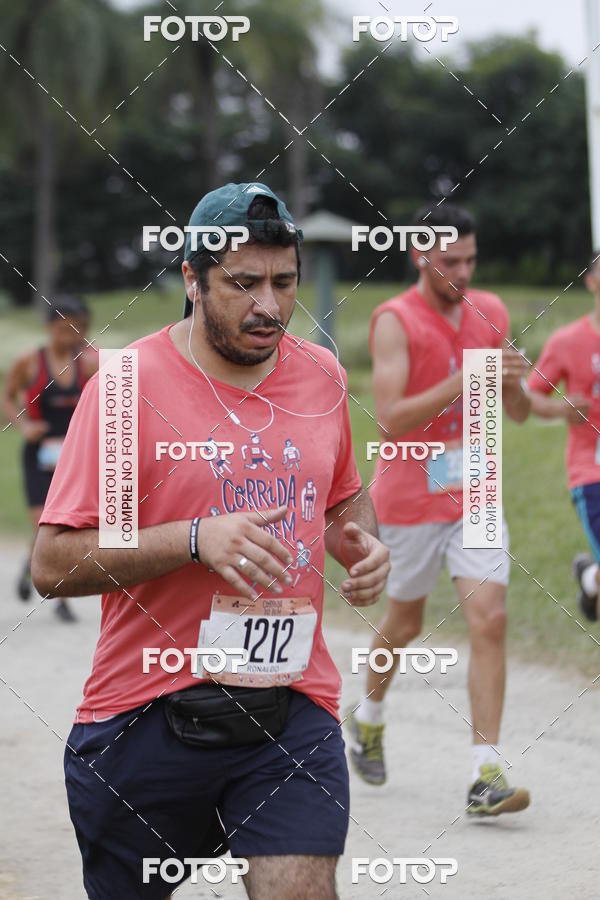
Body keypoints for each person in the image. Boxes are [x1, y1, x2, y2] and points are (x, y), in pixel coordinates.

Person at [31, 182, 390, 900]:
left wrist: (363, 545)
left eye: (284, 282)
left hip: (290, 711)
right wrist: (195, 539)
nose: (269, 306)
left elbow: (343, 494)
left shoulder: (321, 374)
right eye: (243, 283)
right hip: (145, 717)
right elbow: (55, 562)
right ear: (192, 279)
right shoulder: (129, 386)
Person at [347, 204, 532, 817]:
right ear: (418, 256)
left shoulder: (494, 312)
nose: (462, 272)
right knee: (403, 621)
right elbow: (393, 416)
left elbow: (521, 414)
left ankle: (486, 774)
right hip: (408, 496)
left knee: (490, 618)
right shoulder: (394, 320)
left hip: (476, 488)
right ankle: (369, 715)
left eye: (470, 260)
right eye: (449, 261)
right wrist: (467, 377)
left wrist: (510, 383)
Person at [2, 295, 96, 622]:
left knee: (65, 529)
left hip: (75, 458)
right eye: (62, 330)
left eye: (77, 330)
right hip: (38, 457)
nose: (69, 337)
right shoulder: (29, 361)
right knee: (43, 524)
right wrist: (23, 424)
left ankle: (48, 586)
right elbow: (7, 394)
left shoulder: (90, 362)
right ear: (49, 327)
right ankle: (47, 583)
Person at [528, 252, 600, 622]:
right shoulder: (567, 341)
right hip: (592, 475)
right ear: (590, 280)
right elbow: (529, 397)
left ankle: (590, 577)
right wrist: (561, 409)